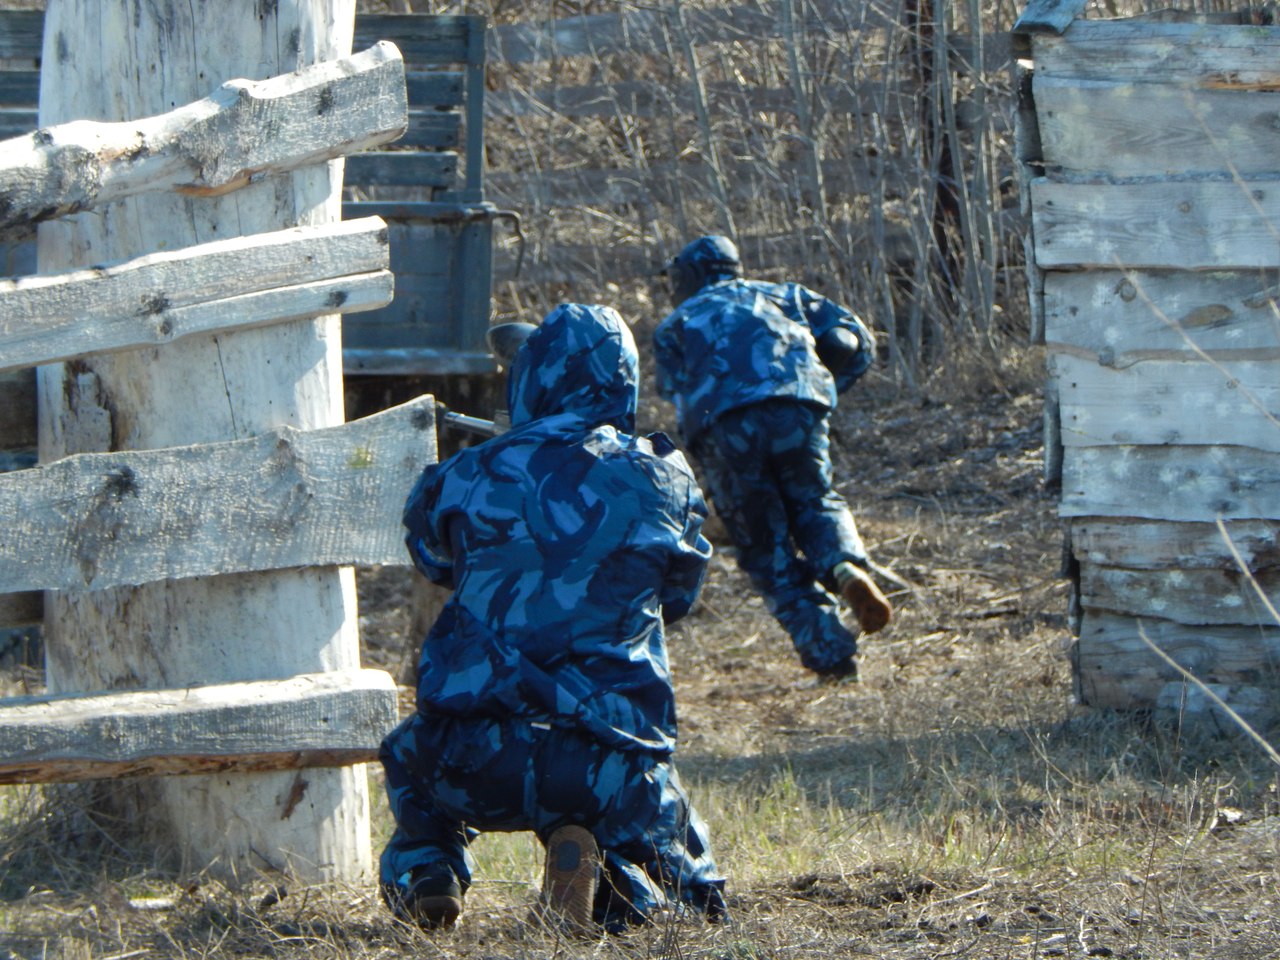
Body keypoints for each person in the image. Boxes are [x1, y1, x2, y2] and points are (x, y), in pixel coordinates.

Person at [378, 302, 727, 935]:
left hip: (471, 759)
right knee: (694, 902)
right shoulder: (663, 477)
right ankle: (618, 886)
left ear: (533, 374)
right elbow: (678, 595)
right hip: (610, 768)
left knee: (407, 754)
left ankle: (430, 871)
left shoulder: (464, 475)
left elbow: (432, 557)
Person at [653, 235, 892, 680]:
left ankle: (832, 657)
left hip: (727, 429)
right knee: (815, 501)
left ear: (690, 274)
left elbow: (677, 394)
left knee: (767, 547)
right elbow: (852, 340)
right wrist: (823, 390)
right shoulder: (787, 294)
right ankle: (844, 566)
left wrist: (704, 459)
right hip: (797, 409)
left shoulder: (676, 324)